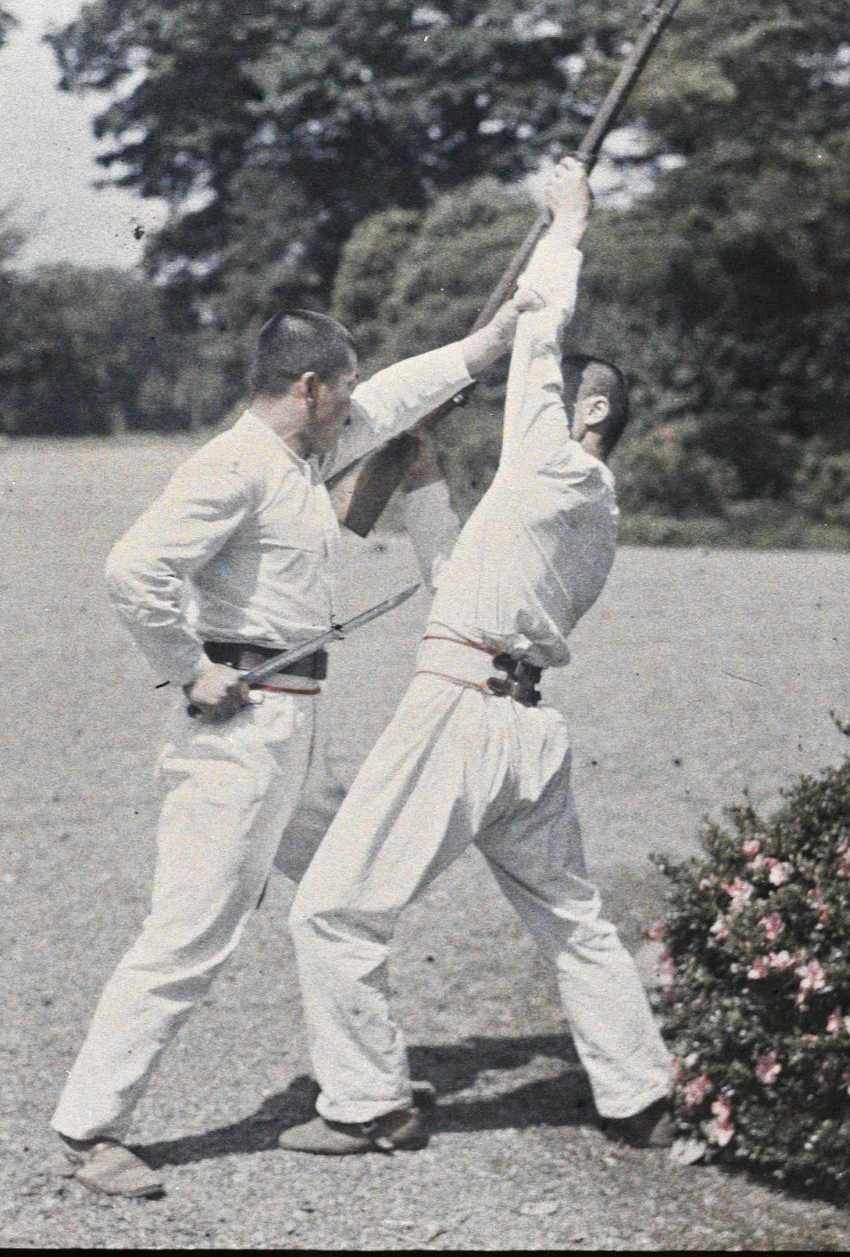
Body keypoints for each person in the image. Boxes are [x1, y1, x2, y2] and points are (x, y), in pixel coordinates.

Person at [50, 290, 535, 1198]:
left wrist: (484, 346)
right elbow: (133, 568)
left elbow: (392, 400)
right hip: (238, 732)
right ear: (309, 387)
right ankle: (89, 1127)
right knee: (189, 934)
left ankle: (365, 1089)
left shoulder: (304, 456)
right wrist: (187, 667)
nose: (354, 407)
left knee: (341, 887)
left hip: (294, 728)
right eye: (341, 392)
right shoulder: (234, 465)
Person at [279, 157, 675, 1157]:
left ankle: (367, 1103)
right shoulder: (581, 513)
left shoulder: (556, 463)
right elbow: (459, 575)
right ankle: (639, 1093)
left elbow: (538, 330)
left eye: (568, 393)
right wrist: (420, 480)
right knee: (571, 919)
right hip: (521, 728)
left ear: (590, 417)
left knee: (331, 910)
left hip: (460, 712)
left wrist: (567, 223)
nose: (549, 396)